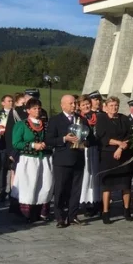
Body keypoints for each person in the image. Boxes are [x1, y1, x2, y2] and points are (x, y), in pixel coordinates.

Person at [46, 94, 87, 228]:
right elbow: (49, 140)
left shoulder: (81, 119)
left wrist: (86, 140)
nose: (74, 106)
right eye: (71, 103)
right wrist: (64, 139)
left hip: (78, 159)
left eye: (75, 103)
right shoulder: (55, 120)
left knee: (76, 189)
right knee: (61, 189)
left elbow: (89, 136)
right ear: (62, 105)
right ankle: (59, 217)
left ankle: (73, 215)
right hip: (62, 160)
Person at [11, 98, 53, 222]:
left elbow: (51, 139)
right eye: (34, 108)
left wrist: (46, 145)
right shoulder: (21, 125)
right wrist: (33, 145)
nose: (37, 111)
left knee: (45, 184)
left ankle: (42, 212)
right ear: (28, 110)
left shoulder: (46, 125)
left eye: (39, 108)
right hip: (29, 160)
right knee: (29, 185)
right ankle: (26, 213)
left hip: (44, 159)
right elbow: (16, 143)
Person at [96, 96, 133, 223]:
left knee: (126, 184)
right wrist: (118, 143)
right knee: (107, 185)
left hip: (124, 154)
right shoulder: (102, 119)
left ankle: (127, 210)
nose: (114, 108)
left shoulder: (124, 118)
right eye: (111, 105)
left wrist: (121, 147)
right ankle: (106, 212)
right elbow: (102, 137)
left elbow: (130, 135)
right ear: (106, 107)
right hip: (108, 155)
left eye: (116, 105)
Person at [0, 94, 13, 202]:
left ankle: (13, 191)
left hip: (14, 145)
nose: (11, 103)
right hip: (3, 145)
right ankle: (2, 191)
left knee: (14, 169)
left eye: (12, 101)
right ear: (3, 103)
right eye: (9, 101)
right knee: (2, 169)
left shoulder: (15, 114)